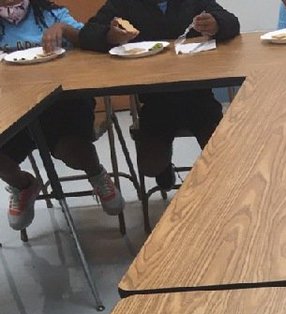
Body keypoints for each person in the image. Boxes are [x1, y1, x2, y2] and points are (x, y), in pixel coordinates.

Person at [79, 0, 240, 191]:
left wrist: (217, 24)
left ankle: (220, 190)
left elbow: (232, 23)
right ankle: (164, 168)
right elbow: (86, 35)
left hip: (198, 96)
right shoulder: (123, 3)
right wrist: (108, 35)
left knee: (224, 156)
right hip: (155, 101)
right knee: (150, 165)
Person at [0, 0, 122, 231]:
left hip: (63, 104)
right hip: (14, 105)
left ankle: (96, 174)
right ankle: (23, 185)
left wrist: (64, 29)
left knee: (72, 150)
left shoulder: (51, 14)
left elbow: (90, 40)